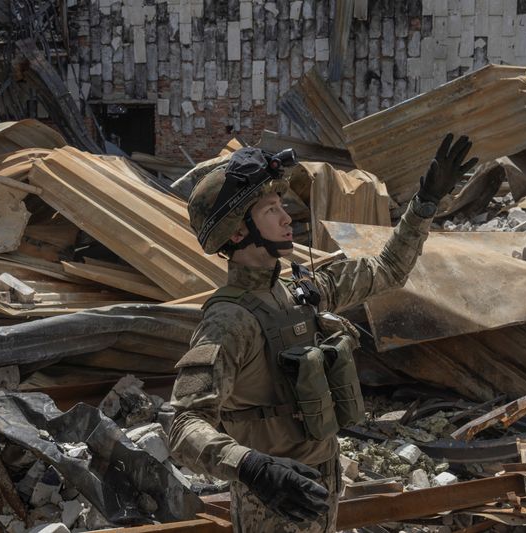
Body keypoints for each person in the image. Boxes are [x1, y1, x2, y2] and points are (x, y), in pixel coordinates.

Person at [168, 134, 477, 532]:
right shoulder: (229, 321)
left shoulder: (300, 292)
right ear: (238, 232)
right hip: (274, 502)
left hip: (322, 485)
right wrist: (253, 468)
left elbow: (387, 270)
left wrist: (425, 204)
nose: (285, 218)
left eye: (282, 206)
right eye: (269, 210)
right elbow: (183, 425)